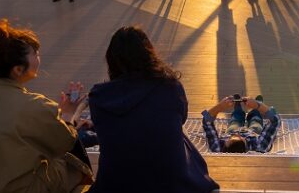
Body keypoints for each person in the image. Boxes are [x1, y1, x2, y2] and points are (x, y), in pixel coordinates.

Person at [0, 20, 94, 193]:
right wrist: (67, 114)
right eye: (35, 53)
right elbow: (66, 143)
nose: (39, 56)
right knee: (72, 165)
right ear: (18, 70)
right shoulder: (35, 105)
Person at [88, 27, 218, 193]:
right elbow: (182, 118)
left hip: (116, 185)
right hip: (173, 186)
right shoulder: (170, 87)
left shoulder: (99, 96)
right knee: (179, 134)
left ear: (111, 59)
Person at [202, 94, 280, 153]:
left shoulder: (218, 149)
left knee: (235, 121)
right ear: (246, 146)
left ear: (225, 146)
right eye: (241, 137)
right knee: (256, 120)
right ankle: (256, 109)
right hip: (252, 133)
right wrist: (258, 105)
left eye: (229, 140)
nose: (239, 134)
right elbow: (275, 121)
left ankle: (237, 108)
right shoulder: (259, 147)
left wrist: (220, 107)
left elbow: (207, 121)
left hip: (231, 132)